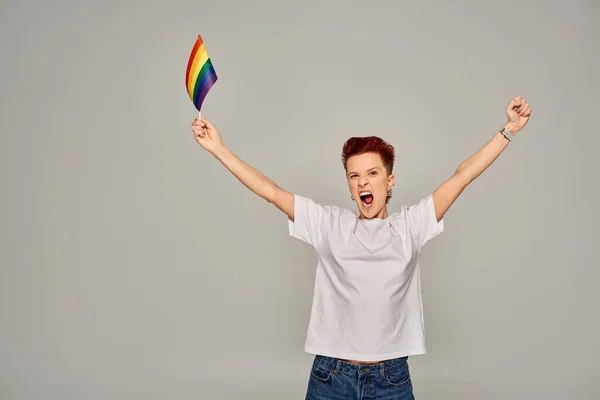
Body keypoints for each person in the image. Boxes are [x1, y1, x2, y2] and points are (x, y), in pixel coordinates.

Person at [190, 96, 532, 399]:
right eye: (355, 177)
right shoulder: (329, 224)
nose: (363, 182)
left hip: (391, 379)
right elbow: (272, 191)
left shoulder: (411, 225)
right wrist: (218, 148)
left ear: (389, 181)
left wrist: (509, 130)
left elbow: (462, 176)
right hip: (331, 377)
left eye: (372, 173)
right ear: (350, 186)